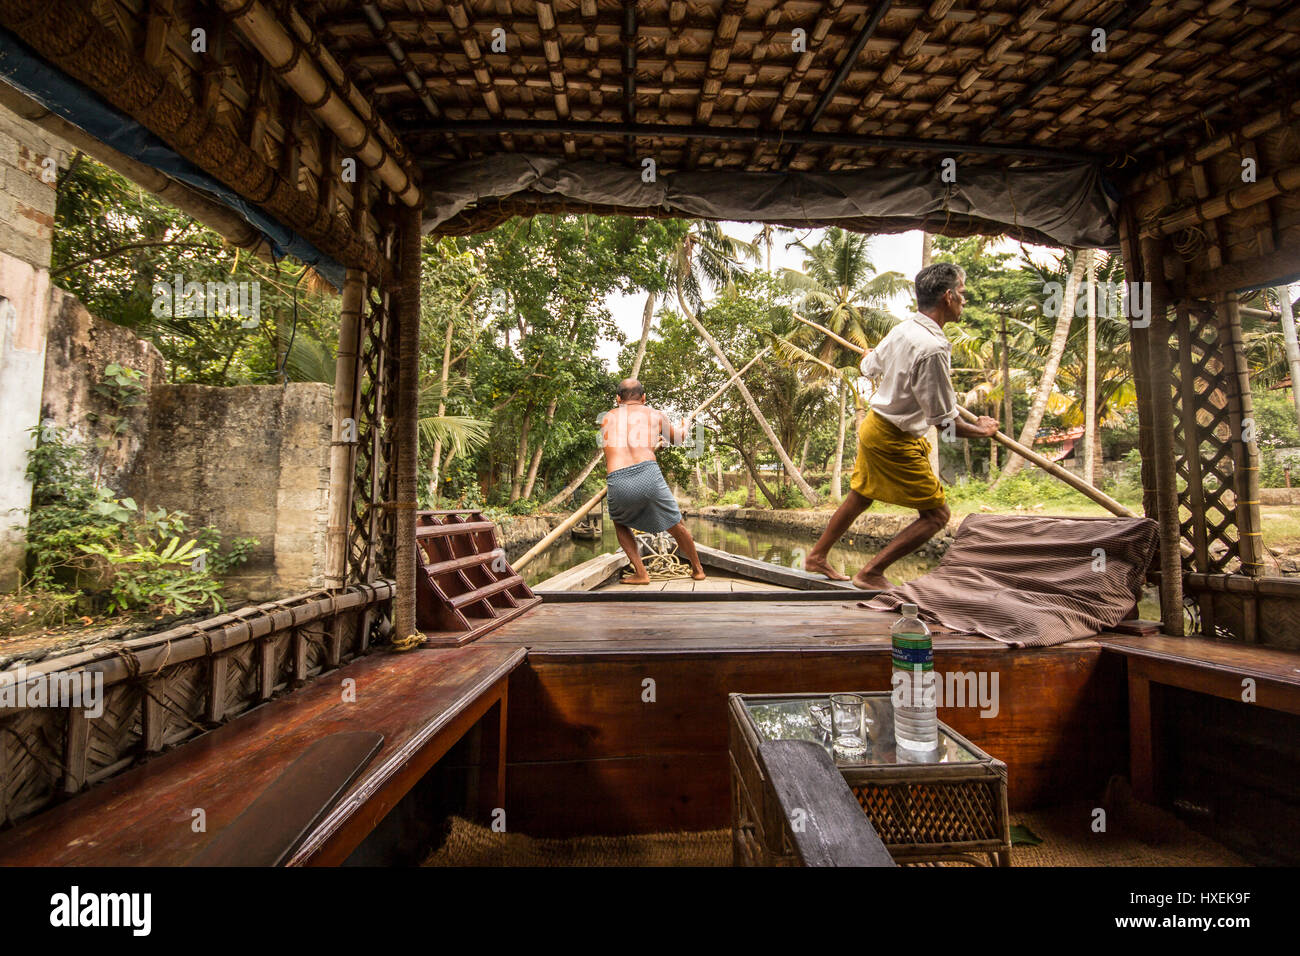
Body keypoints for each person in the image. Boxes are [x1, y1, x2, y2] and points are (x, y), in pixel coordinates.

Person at [804, 262, 998, 590]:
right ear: (948, 297)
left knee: (860, 497)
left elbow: (868, 366)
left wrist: (871, 355)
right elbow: (944, 423)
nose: (965, 301)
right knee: (937, 517)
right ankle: (870, 573)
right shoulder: (933, 349)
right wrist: (981, 429)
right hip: (893, 438)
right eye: (962, 294)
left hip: (875, 427)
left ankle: (816, 556)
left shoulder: (904, 330)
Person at [599, 379, 707, 584]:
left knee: (620, 523)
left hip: (617, 478)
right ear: (644, 398)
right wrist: (686, 426)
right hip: (647, 473)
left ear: (618, 399)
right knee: (676, 524)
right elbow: (678, 439)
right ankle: (698, 569)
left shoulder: (607, 418)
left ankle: (641, 573)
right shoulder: (655, 414)